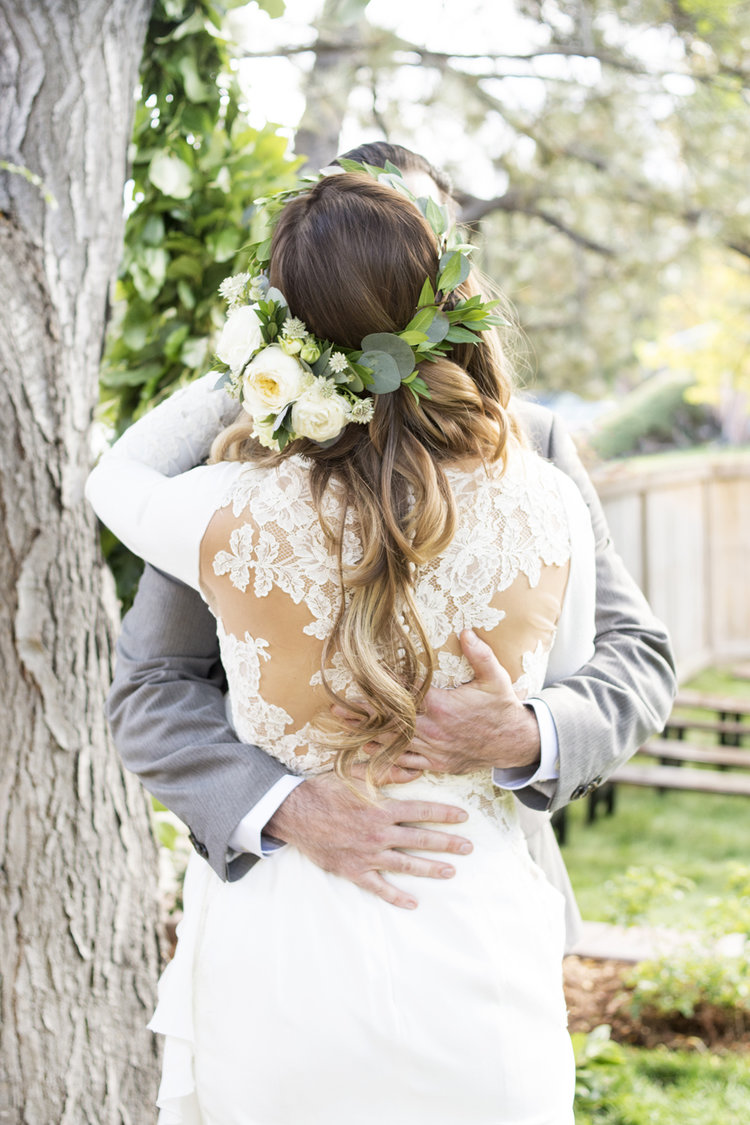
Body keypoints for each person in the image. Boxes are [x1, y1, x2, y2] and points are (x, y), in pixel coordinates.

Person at [88, 166, 602, 1122]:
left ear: (288, 330)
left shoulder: (223, 511)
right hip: (472, 922)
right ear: (451, 302)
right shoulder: (550, 501)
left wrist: (245, 369)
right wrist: (514, 727)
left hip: (287, 952)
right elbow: (571, 663)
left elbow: (114, 474)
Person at [106, 143, 676, 944]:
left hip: (485, 890)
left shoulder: (536, 443)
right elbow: (153, 683)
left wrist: (529, 733)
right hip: (286, 888)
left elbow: (636, 655)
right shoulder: (234, 462)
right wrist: (282, 807)